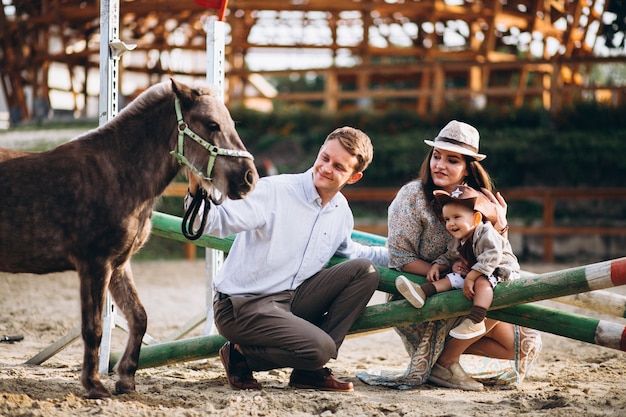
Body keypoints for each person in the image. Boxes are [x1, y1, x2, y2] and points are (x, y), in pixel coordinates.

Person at [185, 126, 389, 392]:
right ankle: (241, 355)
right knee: (321, 349)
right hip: (242, 305)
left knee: (365, 271)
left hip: (288, 300)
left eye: (339, 167)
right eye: (324, 158)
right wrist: (195, 187)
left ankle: (308, 372)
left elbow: (354, 254)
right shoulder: (274, 191)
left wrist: (408, 257)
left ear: (354, 177)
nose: (326, 168)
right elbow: (214, 221)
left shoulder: (341, 211)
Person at [357, 120, 541, 392]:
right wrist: (447, 270)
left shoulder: (478, 201)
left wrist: (501, 225)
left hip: (471, 290)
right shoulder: (411, 197)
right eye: (436, 156)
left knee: (523, 343)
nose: (439, 165)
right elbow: (400, 258)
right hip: (424, 292)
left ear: (467, 168)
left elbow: (499, 259)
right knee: (491, 292)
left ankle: (442, 359)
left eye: (452, 160)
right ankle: (446, 363)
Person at [396, 184, 521, 340]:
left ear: (476, 218)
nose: (451, 223)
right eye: (447, 219)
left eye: (457, 217)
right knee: (451, 278)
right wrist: (437, 265)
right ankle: (422, 292)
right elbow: (449, 255)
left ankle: (476, 319)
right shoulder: (458, 240)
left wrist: (471, 277)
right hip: (478, 272)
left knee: (482, 282)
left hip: (501, 270)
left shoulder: (486, 232)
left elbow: (492, 256)